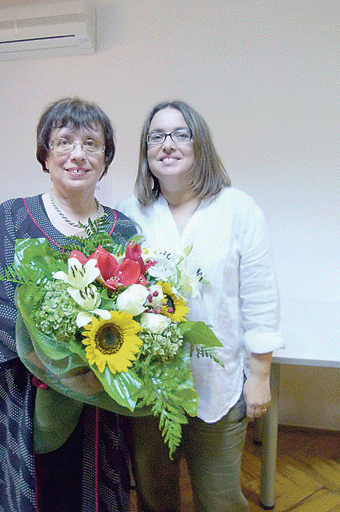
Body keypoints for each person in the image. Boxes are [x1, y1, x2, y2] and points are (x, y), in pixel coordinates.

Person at [117, 100, 285, 512]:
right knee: (155, 497)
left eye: (180, 134)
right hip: (149, 387)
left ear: (200, 144)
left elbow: (260, 297)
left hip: (217, 383)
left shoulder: (238, 209)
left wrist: (260, 375)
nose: (167, 144)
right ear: (145, 150)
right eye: (156, 136)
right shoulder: (129, 213)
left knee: (220, 498)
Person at [0, 97, 138, 512]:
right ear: (45, 155)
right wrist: (57, 366)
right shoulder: (12, 217)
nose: (78, 154)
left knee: (88, 491)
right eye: (64, 141)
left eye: (91, 143)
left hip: (100, 394)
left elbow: (137, 311)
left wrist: (93, 370)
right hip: (23, 393)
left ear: (105, 159)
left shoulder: (123, 230)